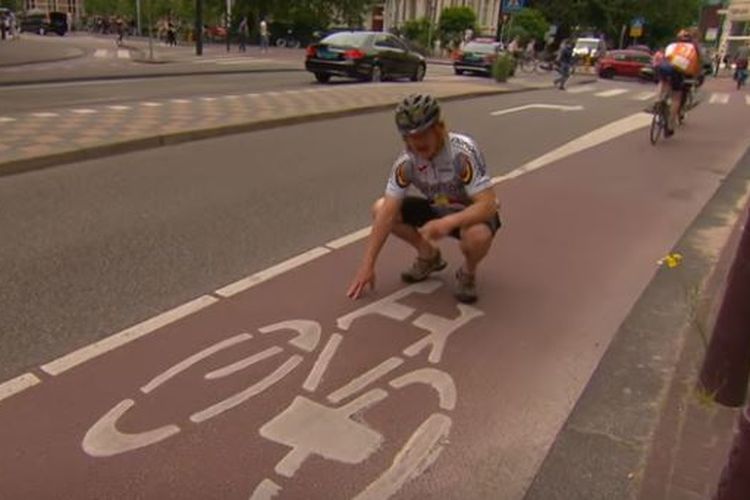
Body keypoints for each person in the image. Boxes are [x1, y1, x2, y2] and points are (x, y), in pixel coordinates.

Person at [347, 94, 502, 304]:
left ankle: (468, 272)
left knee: (478, 236)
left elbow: (488, 204)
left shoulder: (462, 152)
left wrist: (448, 223)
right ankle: (428, 255)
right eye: (410, 136)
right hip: (438, 209)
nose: (417, 141)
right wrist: (368, 264)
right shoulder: (406, 162)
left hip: (468, 215)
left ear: (439, 128)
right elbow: (387, 214)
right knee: (380, 208)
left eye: (423, 133)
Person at [654, 29, 702, 137]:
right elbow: (696, 66)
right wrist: (696, 77)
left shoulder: (672, 45)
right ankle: (670, 126)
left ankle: (658, 99)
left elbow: (663, 57)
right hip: (678, 70)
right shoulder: (694, 49)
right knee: (676, 98)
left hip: (664, 66)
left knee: (663, 82)